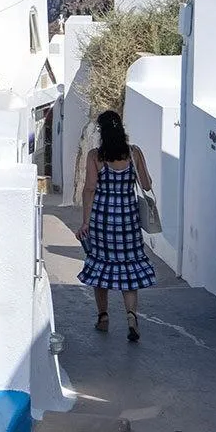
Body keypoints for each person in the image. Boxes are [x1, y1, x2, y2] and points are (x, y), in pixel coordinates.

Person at [75, 110, 157, 342]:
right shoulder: (134, 152)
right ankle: (131, 316)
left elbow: (89, 189)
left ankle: (103, 317)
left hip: (102, 219)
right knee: (128, 267)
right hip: (128, 219)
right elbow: (147, 184)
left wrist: (85, 222)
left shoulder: (95, 156)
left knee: (101, 266)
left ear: (101, 132)